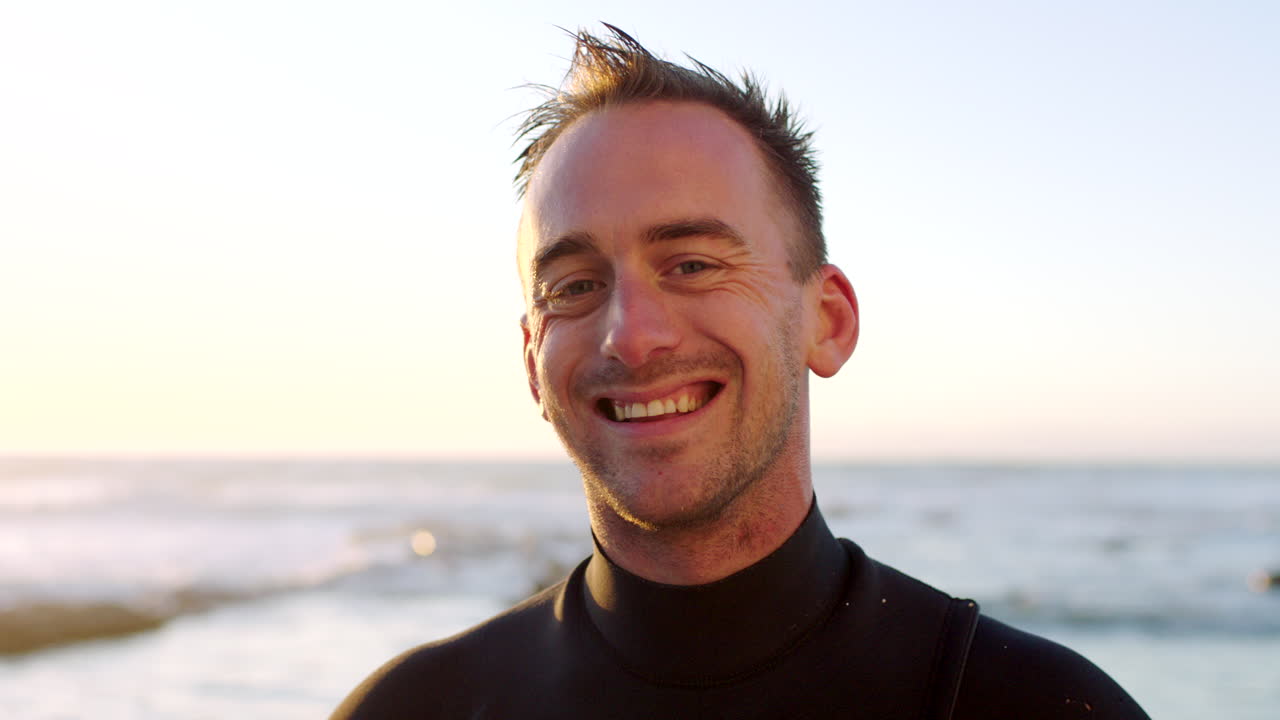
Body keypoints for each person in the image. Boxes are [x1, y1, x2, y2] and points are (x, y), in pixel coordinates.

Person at [331, 26, 1150, 719]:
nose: (632, 336)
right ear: (531, 365)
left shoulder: (1030, 705)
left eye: (691, 264)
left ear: (828, 321)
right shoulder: (414, 708)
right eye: (574, 286)